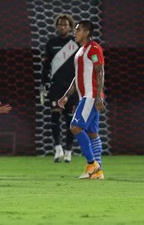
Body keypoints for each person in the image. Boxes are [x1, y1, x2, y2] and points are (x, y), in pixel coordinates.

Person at [58, 20, 106, 180]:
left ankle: (92, 164)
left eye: (78, 29)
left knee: (75, 127)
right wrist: (66, 95)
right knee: (92, 133)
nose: (75, 32)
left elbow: (100, 72)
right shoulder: (81, 51)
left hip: (91, 96)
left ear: (86, 32)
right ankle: (98, 172)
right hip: (85, 96)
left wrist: (98, 95)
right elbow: (77, 77)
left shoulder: (93, 48)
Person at [40, 13, 79, 163]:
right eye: (60, 24)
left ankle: (68, 150)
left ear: (70, 27)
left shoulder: (76, 43)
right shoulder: (51, 43)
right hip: (56, 87)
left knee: (71, 120)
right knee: (55, 116)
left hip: (73, 88)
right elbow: (45, 66)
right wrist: (44, 83)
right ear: (56, 26)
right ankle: (57, 149)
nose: (62, 27)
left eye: (65, 24)